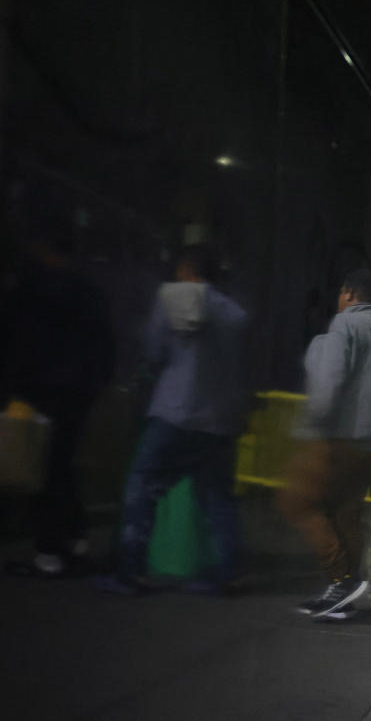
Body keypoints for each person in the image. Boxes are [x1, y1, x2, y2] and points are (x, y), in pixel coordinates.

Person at [94, 245, 247, 595]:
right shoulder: (233, 314)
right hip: (219, 418)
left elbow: (154, 352)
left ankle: (131, 571)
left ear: (188, 269)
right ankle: (227, 573)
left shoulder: (169, 299)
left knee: (142, 485)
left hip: (175, 411)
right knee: (217, 497)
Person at [279, 269, 371, 620]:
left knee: (297, 502)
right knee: (346, 511)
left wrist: (310, 424)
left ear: (349, 293)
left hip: (341, 436)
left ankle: (340, 579)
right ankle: (346, 593)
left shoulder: (345, 325)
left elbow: (327, 386)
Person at [1, 225, 114, 579]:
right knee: (61, 463)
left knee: (37, 469)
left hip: (34, 391)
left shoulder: (27, 291)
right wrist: (96, 385)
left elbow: (15, 341)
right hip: (78, 393)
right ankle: (75, 536)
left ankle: (49, 551)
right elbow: (104, 346)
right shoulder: (90, 293)